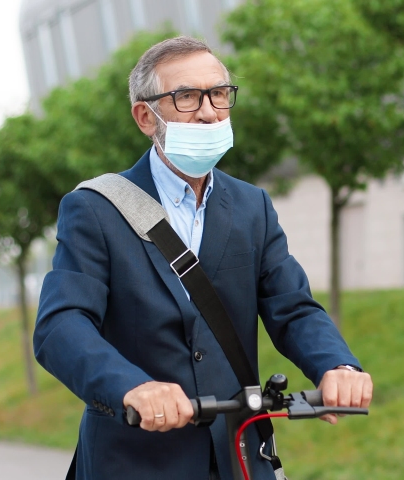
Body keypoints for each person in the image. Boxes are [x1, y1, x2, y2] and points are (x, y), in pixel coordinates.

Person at [34, 36, 373, 480]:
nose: (210, 111)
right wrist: (130, 387)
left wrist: (337, 365)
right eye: (187, 97)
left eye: (219, 94)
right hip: (135, 460)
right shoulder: (97, 209)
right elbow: (61, 325)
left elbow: (292, 307)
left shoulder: (252, 206)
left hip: (241, 456)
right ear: (145, 115)